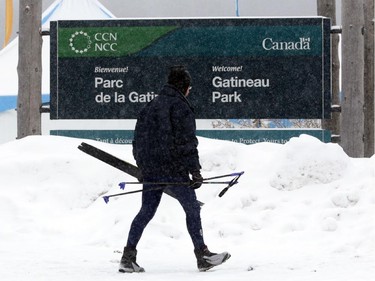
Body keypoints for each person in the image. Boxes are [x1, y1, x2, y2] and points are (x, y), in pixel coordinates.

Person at [119, 65, 230, 273]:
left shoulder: (150, 105)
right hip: (172, 168)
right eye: (189, 87)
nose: (190, 91)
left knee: (146, 211)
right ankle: (202, 255)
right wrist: (194, 171)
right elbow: (187, 142)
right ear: (184, 87)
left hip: (151, 169)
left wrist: (143, 166)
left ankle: (127, 257)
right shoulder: (180, 106)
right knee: (192, 207)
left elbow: (137, 140)